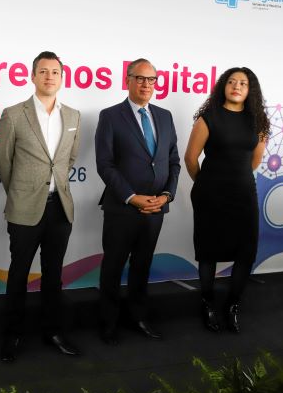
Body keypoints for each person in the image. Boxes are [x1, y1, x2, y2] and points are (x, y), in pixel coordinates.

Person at [0, 51, 82, 362]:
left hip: (60, 208)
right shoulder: (13, 114)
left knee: (53, 274)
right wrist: (21, 192)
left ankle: (53, 331)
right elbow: (3, 161)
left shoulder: (73, 116)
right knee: (19, 274)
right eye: (43, 71)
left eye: (55, 72)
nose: (49, 77)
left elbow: (69, 159)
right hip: (24, 207)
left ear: (62, 77)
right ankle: (12, 335)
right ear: (32, 76)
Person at [95, 58, 181, 345]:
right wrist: (132, 197)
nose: (146, 84)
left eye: (151, 79)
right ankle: (108, 322)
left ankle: (139, 317)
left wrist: (166, 195)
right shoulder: (110, 116)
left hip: (156, 207)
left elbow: (173, 161)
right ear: (128, 80)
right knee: (113, 266)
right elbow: (105, 164)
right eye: (140, 78)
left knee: (143, 265)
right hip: (122, 206)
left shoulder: (165, 116)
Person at [184, 67, 269, 334]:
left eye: (242, 83)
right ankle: (207, 303)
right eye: (231, 81)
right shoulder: (208, 117)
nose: (236, 86)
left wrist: (235, 179)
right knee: (208, 251)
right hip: (210, 195)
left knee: (245, 252)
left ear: (250, 90)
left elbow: (255, 160)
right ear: (223, 86)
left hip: (243, 195)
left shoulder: (258, 121)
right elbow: (190, 158)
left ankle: (233, 305)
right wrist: (207, 184)